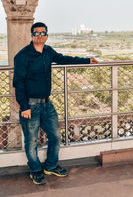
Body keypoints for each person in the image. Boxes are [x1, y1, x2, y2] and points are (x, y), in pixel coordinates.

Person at [13, 22, 98, 185]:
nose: (40, 36)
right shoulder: (22, 56)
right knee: (31, 141)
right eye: (36, 33)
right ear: (31, 35)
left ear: (47, 35)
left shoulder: (48, 51)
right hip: (30, 105)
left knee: (55, 136)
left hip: (47, 104)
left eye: (43, 33)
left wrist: (87, 60)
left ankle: (50, 166)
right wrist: (24, 107)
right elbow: (18, 82)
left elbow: (64, 59)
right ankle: (36, 170)